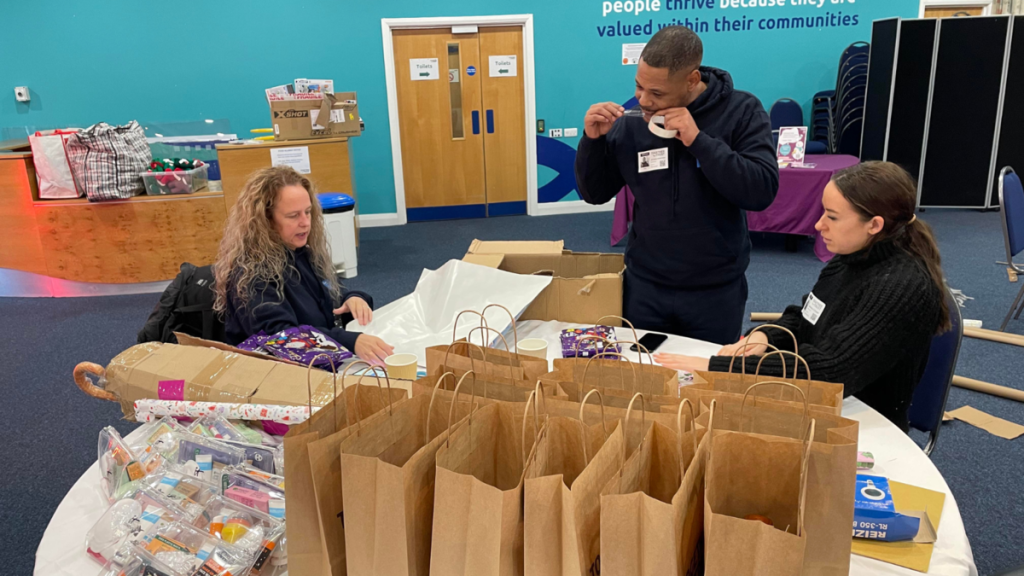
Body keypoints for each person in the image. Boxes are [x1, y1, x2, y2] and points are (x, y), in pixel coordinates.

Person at [655, 162, 950, 431]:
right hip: (819, 398)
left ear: (874, 225)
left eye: (832, 217)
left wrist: (716, 367)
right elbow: (807, 316)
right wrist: (765, 336)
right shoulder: (853, 256)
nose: (819, 225)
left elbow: (831, 371)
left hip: (862, 422)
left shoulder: (901, 286)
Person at [575, 25, 778, 344]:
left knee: (705, 384)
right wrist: (592, 142)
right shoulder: (631, 124)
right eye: (639, 87)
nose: (644, 100)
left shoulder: (742, 110)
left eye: (657, 93)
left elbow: (761, 190)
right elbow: (594, 194)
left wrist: (699, 141)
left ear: (692, 80)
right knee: (642, 379)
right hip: (645, 286)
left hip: (714, 290)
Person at [213, 166, 394, 365]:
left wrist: (353, 298)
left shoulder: (300, 252)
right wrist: (352, 341)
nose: (306, 222)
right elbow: (282, 339)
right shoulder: (253, 273)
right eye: (293, 216)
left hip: (318, 360)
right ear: (266, 220)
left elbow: (328, 293)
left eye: (308, 212)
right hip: (280, 373)